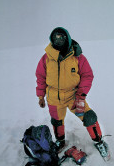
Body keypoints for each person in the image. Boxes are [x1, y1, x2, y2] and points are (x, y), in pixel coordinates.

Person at [36, 27, 109, 159]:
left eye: (61, 37)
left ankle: (99, 142)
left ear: (67, 39)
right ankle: (60, 141)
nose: (58, 41)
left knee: (89, 117)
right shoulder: (46, 58)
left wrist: (81, 95)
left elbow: (87, 75)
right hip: (53, 97)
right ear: (52, 40)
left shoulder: (78, 57)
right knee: (57, 121)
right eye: (55, 38)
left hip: (73, 96)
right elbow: (40, 77)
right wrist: (41, 95)